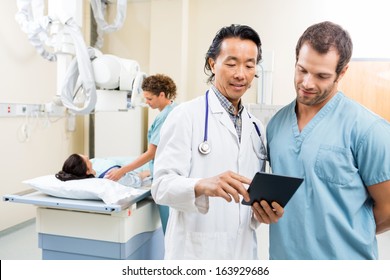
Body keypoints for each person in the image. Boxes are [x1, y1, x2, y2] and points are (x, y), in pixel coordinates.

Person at [151, 24, 284, 260]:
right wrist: (202, 185)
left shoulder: (256, 127)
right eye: (231, 63)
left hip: (242, 253)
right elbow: (161, 187)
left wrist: (262, 212)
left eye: (249, 65)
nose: (240, 74)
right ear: (213, 64)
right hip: (194, 254)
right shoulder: (186, 116)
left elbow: (248, 198)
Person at [266, 21, 390, 259]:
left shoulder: (368, 130)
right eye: (302, 70)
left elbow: (387, 210)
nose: (307, 83)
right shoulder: (276, 125)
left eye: (322, 76)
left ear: (341, 73)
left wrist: (343, 233)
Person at [104, 73, 178, 234]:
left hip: (166, 179)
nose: (147, 102)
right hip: (166, 174)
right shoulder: (175, 110)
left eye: (150, 99)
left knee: (171, 230)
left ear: (162, 95)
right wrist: (148, 172)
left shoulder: (166, 117)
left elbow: (152, 153)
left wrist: (122, 171)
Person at [55, 153, 150, 187]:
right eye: (86, 159)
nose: (87, 156)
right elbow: (137, 180)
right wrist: (148, 172)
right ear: (87, 171)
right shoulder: (110, 176)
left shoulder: (93, 164)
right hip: (142, 167)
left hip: (133, 160)